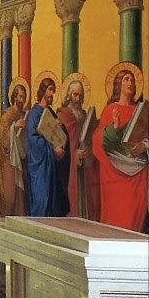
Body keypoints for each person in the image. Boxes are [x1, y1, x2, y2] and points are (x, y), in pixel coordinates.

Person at [92, 68, 147, 231]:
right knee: (118, 220)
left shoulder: (140, 111)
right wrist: (114, 128)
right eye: (126, 79)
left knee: (135, 218)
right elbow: (97, 140)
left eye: (132, 80)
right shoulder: (111, 109)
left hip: (138, 173)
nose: (130, 83)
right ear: (118, 85)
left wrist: (143, 145)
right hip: (115, 175)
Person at [25, 77, 70, 217]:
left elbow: (58, 135)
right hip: (40, 167)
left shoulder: (51, 113)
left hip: (51, 167)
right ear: (43, 91)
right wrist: (52, 149)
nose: (52, 94)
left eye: (53, 91)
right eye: (50, 90)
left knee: (53, 202)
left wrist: (60, 132)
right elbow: (33, 140)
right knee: (41, 200)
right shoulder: (34, 114)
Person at [56, 78, 100, 219]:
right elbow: (60, 140)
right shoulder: (63, 115)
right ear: (69, 95)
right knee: (73, 194)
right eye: (75, 95)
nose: (78, 98)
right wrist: (74, 153)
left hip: (85, 160)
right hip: (69, 165)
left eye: (81, 95)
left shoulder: (84, 114)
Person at [0, 83, 28, 215]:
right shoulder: (7, 114)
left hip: (20, 159)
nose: (22, 100)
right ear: (14, 97)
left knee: (20, 192)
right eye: (20, 96)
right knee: (10, 193)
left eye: (24, 97)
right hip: (9, 161)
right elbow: (2, 136)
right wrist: (14, 127)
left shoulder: (24, 115)